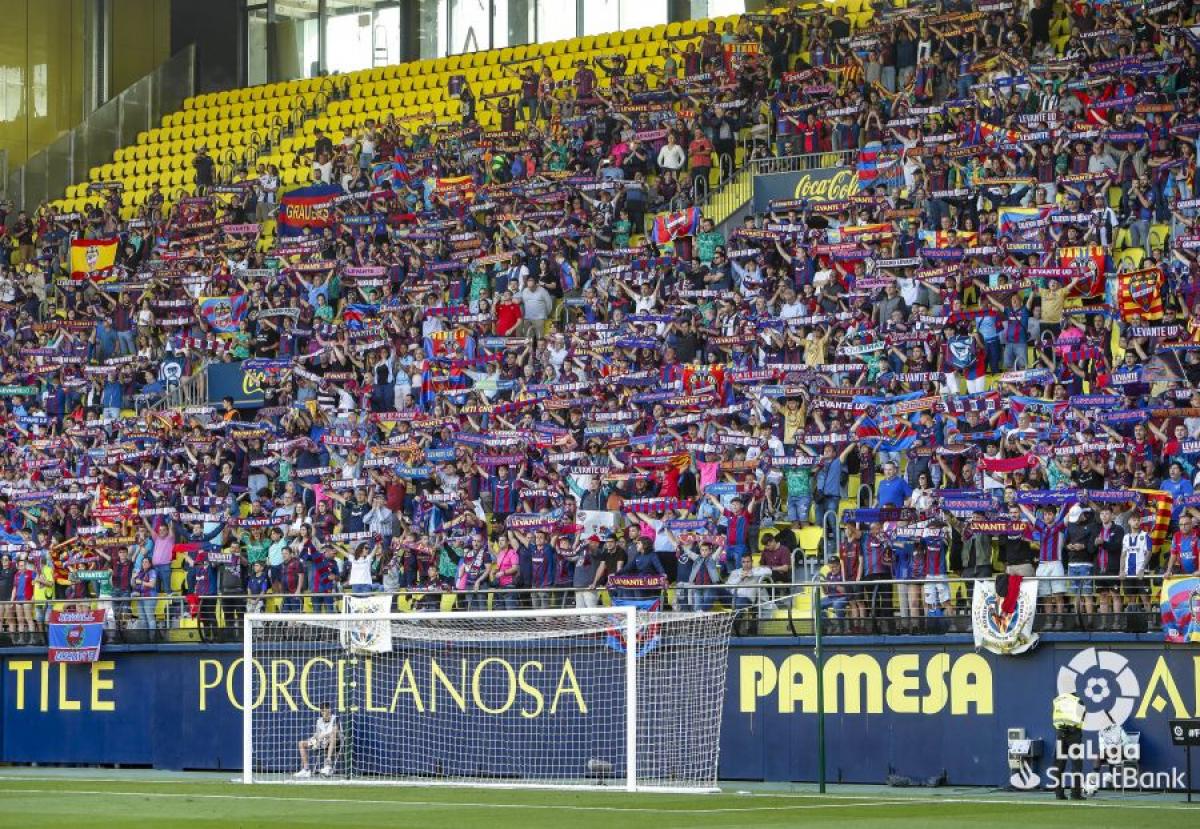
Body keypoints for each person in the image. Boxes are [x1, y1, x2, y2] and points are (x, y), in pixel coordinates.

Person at [1051, 690, 1086, 800]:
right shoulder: (1078, 701)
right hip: (1074, 734)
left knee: (1059, 765)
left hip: (1060, 733)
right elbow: (1082, 717)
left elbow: (1055, 718)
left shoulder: (1057, 701)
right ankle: (1076, 794)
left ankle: (1059, 794)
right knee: (1076, 765)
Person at [295, 703, 340, 778]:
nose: (323, 713)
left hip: (335, 742)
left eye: (325, 711)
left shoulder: (335, 719)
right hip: (321, 741)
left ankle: (328, 765)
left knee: (332, 736)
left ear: (329, 710)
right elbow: (317, 734)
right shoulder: (319, 721)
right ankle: (306, 770)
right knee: (301, 743)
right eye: (322, 711)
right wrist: (315, 739)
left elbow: (335, 732)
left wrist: (325, 736)